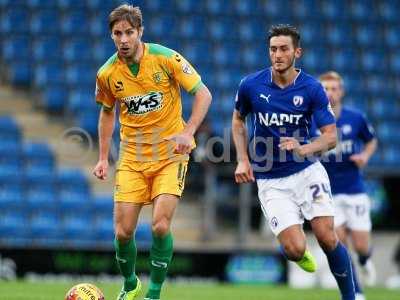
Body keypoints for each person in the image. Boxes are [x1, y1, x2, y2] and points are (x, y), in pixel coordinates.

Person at [93, 5, 212, 300]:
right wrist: (102, 157)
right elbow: (107, 113)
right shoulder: (107, 73)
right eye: (117, 33)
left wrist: (188, 132)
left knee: (160, 224)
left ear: (140, 33)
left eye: (129, 32)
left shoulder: (165, 57)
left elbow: (203, 93)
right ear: (112, 36)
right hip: (132, 159)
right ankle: (131, 283)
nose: (123, 39)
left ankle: (154, 292)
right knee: (123, 233)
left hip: (170, 155)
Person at [231, 24, 355, 300]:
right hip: (271, 180)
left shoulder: (311, 88)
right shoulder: (251, 85)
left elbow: (330, 137)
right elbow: (238, 119)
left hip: (307, 171)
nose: (278, 54)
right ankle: (299, 254)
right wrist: (242, 159)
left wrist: (304, 148)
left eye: (284, 49)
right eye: (273, 49)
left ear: (297, 52)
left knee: (326, 236)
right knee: (295, 249)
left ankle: (350, 296)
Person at [317, 71, 378, 299]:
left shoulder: (356, 117)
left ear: (341, 91)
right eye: (325, 88)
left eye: (334, 88)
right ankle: (357, 292)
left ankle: (365, 259)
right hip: (329, 194)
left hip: (354, 190)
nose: (330, 93)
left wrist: (364, 156)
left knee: (361, 246)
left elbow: (372, 141)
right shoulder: (314, 119)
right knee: (341, 245)